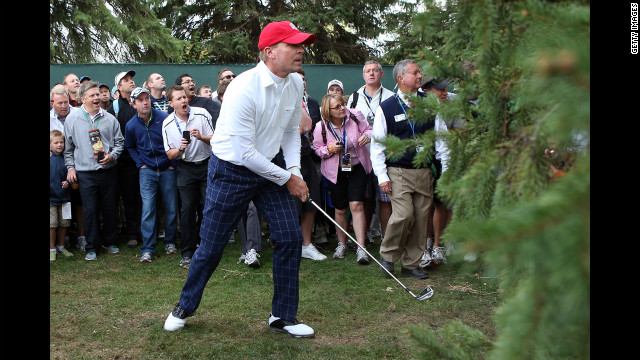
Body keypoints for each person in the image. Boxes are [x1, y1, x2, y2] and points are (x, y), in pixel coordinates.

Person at [163, 20, 316, 338]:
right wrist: (288, 178)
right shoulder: (243, 88)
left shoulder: (295, 84)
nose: (301, 50)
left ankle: (283, 316)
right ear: (270, 52)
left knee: (289, 237)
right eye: (293, 44)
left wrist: (296, 172)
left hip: (270, 165)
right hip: (232, 168)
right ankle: (184, 307)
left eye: (301, 44)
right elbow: (245, 154)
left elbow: (290, 131)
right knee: (212, 245)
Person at [370, 59, 433, 279]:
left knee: (421, 217)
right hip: (398, 171)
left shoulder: (431, 103)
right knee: (404, 215)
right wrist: (382, 176)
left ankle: (411, 264)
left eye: (419, 72)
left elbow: (442, 138)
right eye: (415, 73)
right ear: (400, 78)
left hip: (425, 171)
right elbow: (377, 145)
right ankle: (387, 257)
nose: (419, 76)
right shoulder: (387, 107)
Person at [64, 81, 125, 261]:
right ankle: (92, 246)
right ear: (82, 99)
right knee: (90, 211)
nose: (97, 97)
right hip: (85, 173)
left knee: (109, 208)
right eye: (92, 95)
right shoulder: (72, 119)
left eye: (97, 94)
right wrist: (71, 168)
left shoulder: (110, 118)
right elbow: (68, 149)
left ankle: (110, 241)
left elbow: (120, 143)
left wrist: (112, 156)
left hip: (108, 171)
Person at [312, 94, 372, 264]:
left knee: (356, 204)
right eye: (337, 107)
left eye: (342, 104)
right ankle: (341, 243)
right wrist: (329, 149)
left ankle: (361, 247)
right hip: (335, 171)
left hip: (357, 166)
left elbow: (369, 129)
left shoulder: (355, 115)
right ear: (328, 111)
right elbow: (317, 149)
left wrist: (367, 135)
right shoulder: (320, 127)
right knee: (340, 209)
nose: (342, 108)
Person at [162, 84, 215, 267]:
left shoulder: (201, 113)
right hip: (185, 167)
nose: (184, 100)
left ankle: (206, 246)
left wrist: (201, 137)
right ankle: (187, 251)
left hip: (207, 165)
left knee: (206, 206)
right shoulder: (168, 123)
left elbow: (215, 139)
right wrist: (181, 149)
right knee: (187, 209)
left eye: (184, 97)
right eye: (179, 98)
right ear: (171, 103)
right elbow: (169, 154)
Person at [125, 87, 180, 263]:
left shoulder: (164, 118)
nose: (145, 102)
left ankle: (170, 242)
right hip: (147, 171)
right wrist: (140, 163)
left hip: (167, 169)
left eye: (146, 98)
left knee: (171, 208)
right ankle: (148, 248)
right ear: (134, 105)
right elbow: (130, 146)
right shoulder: (131, 125)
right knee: (148, 209)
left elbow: (175, 141)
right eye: (140, 100)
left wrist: (172, 164)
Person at [347, 60, 396, 245]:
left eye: (375, 70)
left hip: (385, 156)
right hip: (361, 157)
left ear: (382, 74)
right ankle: (364, 236)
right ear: (363, 75)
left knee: (385, 200)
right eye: (368, 71)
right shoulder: (353, 98)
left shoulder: (391, 96)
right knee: (363, 198)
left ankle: (386, 238)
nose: (372, 74)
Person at [422, 77, 459, 266]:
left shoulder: (454, 100)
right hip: (424, 159)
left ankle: (438, 246)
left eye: (445, 88)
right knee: (425, 205)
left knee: (442, 202)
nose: (444, 92)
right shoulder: (418, 104)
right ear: (427, 91)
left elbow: (461, 131)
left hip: (446, 157)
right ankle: (426, 245)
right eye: (439, 89)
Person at [108, 69, 142, 249]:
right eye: (126, 80)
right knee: (113, 200)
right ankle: (114, 235)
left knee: (132, 199)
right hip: (116, 162)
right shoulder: (113, 108)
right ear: (119, 86)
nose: (131, 82)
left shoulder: (139, 105)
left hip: (135, 162)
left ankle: (133, 234)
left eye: (131, 79)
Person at [297, 70, 330, 255]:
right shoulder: (279, 99)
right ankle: (293, 244)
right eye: (296, 80)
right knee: (293, 205)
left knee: (312, 201)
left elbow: (309, 125)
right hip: (286, 158)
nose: (300, 83)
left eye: (303, 80)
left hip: (307, 154)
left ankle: (307, 245)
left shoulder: (310, 102)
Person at [50, 130, 74, 261]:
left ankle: (61, 246)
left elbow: (71, 177)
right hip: (51, 199)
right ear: (50, 145)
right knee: (52, 225)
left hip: (65, 197)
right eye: (56, 142)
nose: (59, 145)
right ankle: (51, 249)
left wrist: (68, 183)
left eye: (61, 142)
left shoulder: (67, 158)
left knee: (64, 223)